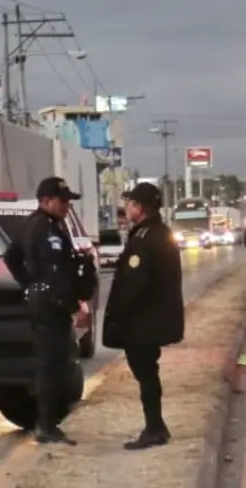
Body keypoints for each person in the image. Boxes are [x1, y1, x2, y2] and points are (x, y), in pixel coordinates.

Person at [5, 176, 92, 445]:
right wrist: (72, 307)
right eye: (62, 201)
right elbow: (56, 275)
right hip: (51, 307)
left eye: (68, 201)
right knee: (53, 366)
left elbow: (11, 256)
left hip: (42, 301)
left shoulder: (33, 223)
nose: (67, 206)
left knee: (51, 363)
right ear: (45, 201)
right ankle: (46, 425)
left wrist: (28, 286)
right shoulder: (47, 230)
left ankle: (47, 423)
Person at [102, 183, 184, 450]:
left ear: (140, 207)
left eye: (130, 204)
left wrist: (118, 315)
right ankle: (156, 425)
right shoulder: (158, 233)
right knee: (148, 373)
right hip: (151, 320)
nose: (127, 208)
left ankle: (154, 428)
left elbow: (135, 284)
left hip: (143, 322)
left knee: (146, 374)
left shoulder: (146, 239)